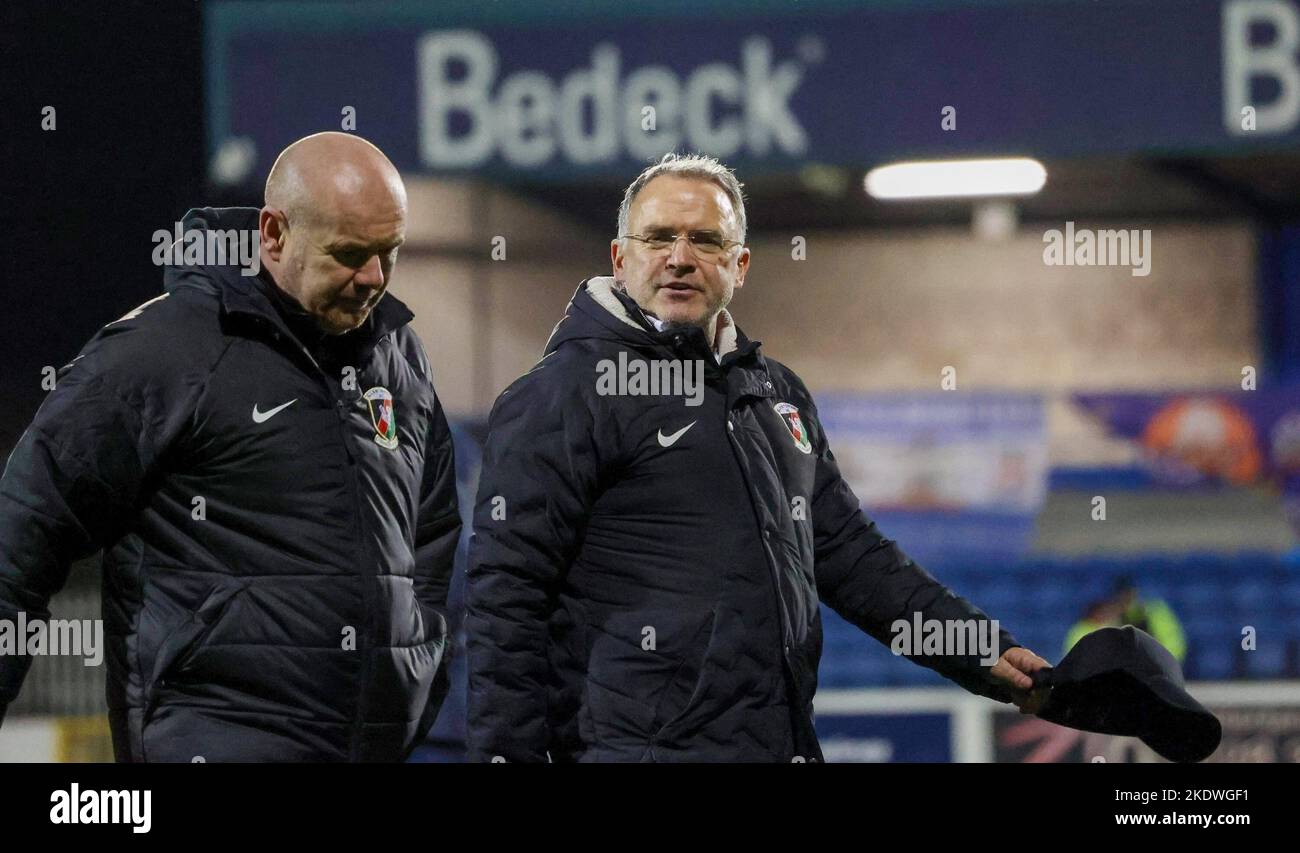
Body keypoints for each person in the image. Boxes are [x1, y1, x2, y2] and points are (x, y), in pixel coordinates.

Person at [466, 153, 1050, 762]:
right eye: (659, 238)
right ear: (620, 258)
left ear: (739, 265)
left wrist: (976, 647)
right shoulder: (560, 396)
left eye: (707, 241)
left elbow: (851, 555)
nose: (681, 258)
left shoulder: (776, 394)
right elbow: (505, 598)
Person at [0, 132, 460, 761]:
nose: (374, 279)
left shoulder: (399, 361)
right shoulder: (161, 352)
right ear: (273, 235)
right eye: (351, 254)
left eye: (390, 252)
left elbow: (430, 537)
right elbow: (20, 534)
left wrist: (416, 671)